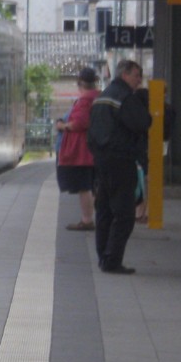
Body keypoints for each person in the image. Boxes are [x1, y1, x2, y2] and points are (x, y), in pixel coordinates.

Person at [88, 59, 151, 275]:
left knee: (104, 210)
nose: (138, 81)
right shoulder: (126, 98)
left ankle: (103, 256)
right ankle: (113, 260)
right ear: (125, 75)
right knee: (124, 213)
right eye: (136, 76)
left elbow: (92, 131)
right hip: (121, 161)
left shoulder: (101, 97)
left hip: (101, 161)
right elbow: (142, 123)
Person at [57, 66, 100, 231]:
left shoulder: (85, 100)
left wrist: (63, 126)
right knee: (92, 186)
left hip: (82, 151)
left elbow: (80, 123)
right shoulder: (99, 97)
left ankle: (87, 220)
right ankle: (93, 218)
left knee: (84, 187)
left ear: (80, 83)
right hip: (93, 149)